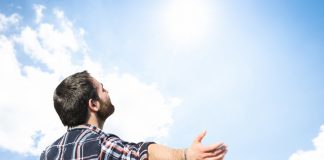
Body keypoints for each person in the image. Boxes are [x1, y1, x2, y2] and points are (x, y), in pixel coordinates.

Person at [40, 70, 228, 160]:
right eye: (103, 89)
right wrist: (186, 155)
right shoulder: (98, 144)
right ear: (94, 104)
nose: (108, 92)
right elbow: (142, 153)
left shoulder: (46, 153)